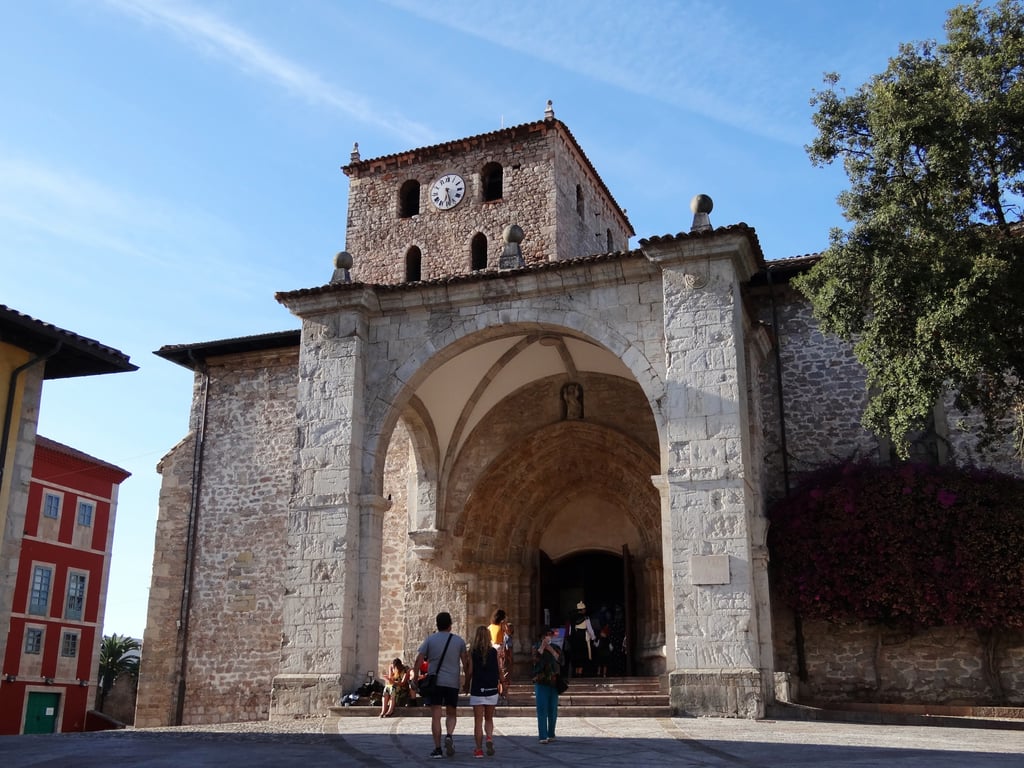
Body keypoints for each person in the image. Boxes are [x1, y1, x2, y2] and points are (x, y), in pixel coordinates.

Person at [413, 611, 471, 759]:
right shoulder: (459, 641)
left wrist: (414, 680)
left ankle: (438, 748)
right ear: (450, 625)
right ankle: (449, 735)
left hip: (435, 682)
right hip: (452, 682)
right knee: (451, 712)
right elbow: (465, 663)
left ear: (437, 625)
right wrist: (468, 682)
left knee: (436, 715)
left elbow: (418, 661)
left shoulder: (430, 640)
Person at [469, 625, 500, 758]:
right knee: (489, 718)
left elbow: (470, 671)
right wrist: (502, 684)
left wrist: (465, 685)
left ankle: (478, 749)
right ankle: (489, 738)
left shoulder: (472, 652)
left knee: (478, 721)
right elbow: (498, 670)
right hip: (492, 689)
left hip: (477, 689)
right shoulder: (494, 652)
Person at [532, 627, 563, 744]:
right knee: (542, 708)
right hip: (541, 681)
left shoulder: (556, 647)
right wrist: (542, 647)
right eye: (547, 635)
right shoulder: (536, 647)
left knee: (552, 709)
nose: (549, 637)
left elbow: (561, 660)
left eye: (550, 635)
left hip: (554, 682)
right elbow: (535, 660)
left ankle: (551, 733)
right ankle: (543, 735)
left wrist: (550, 649)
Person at [487, 609, 513, 700]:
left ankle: (498, 691)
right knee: (500, 673)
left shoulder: (490, 627)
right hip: (499, 650)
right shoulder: (501, 626)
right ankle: (503, 692)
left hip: (492, 651)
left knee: (496, 673)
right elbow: (508, 633)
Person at [569, 601, 596, 677]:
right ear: (582, 610)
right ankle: (580, 674)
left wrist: (571, 638)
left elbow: (571, 630)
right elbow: (589, 629)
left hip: (574, 638)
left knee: (576, 655)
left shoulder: (572, 618)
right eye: (584, 609)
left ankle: (576, 673)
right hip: (582, 637)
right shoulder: (586, 618)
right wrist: (593, 637)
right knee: (581, 655)